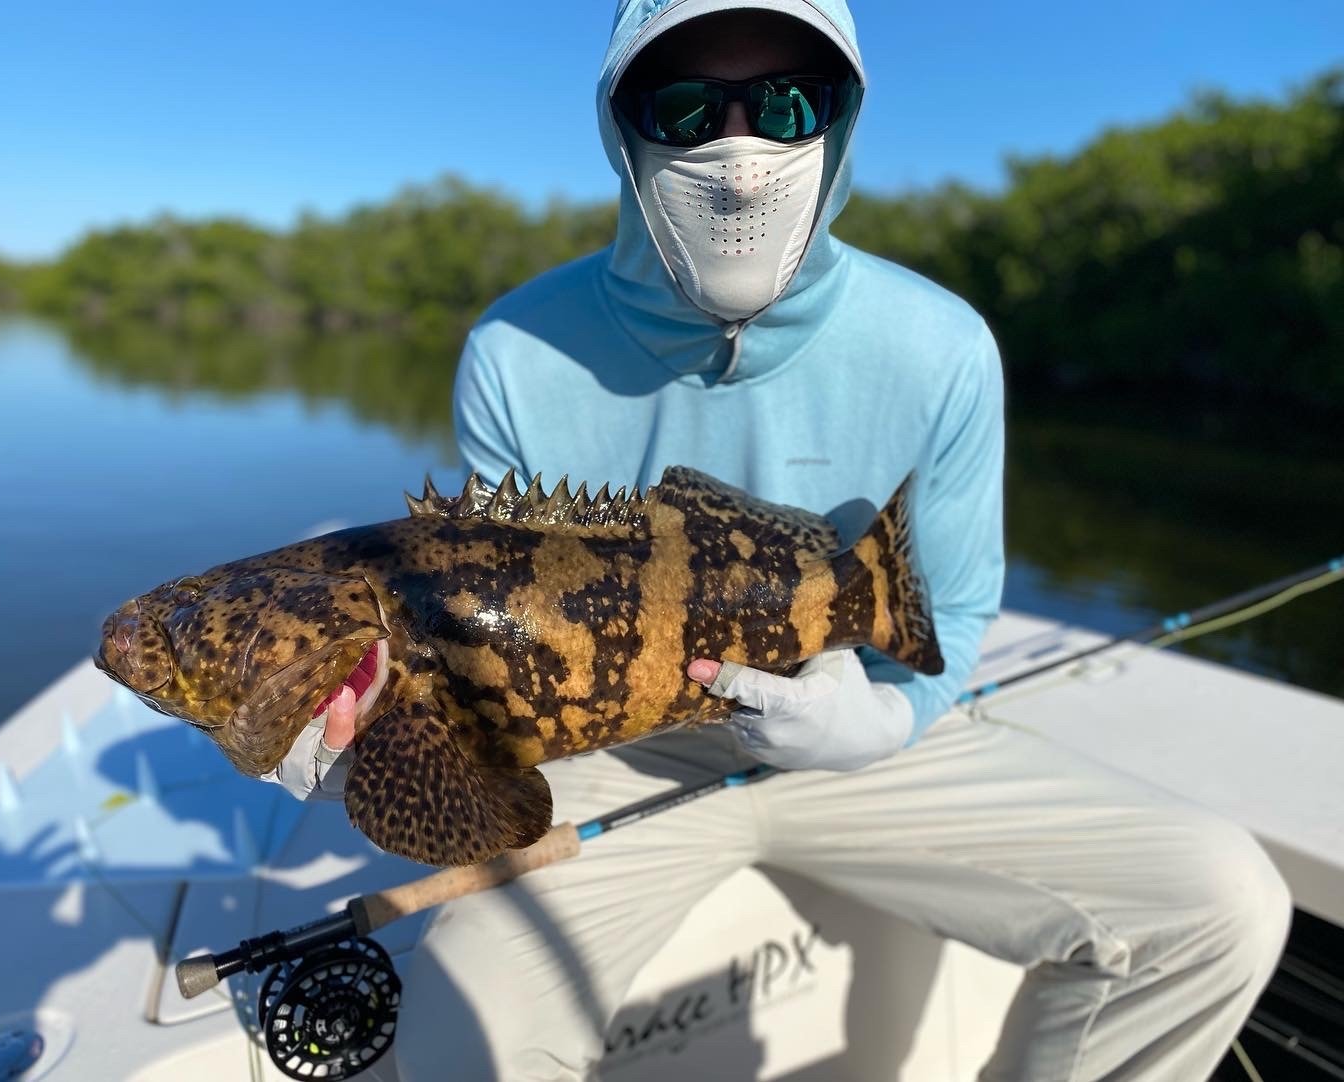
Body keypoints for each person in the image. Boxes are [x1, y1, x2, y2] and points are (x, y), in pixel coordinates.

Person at [271, 2, 1292, 1078]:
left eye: (788, 102)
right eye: (685, 107)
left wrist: (889, 717)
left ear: (843, 121)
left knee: (1220, 899)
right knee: (457, 1049)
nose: (737, 147)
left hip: (866, 738)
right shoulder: (517, 349)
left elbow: (962, 601)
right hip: (620, 755)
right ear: (623, 129)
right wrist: (393, 726)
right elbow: (495, 624)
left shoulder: (940, 346)